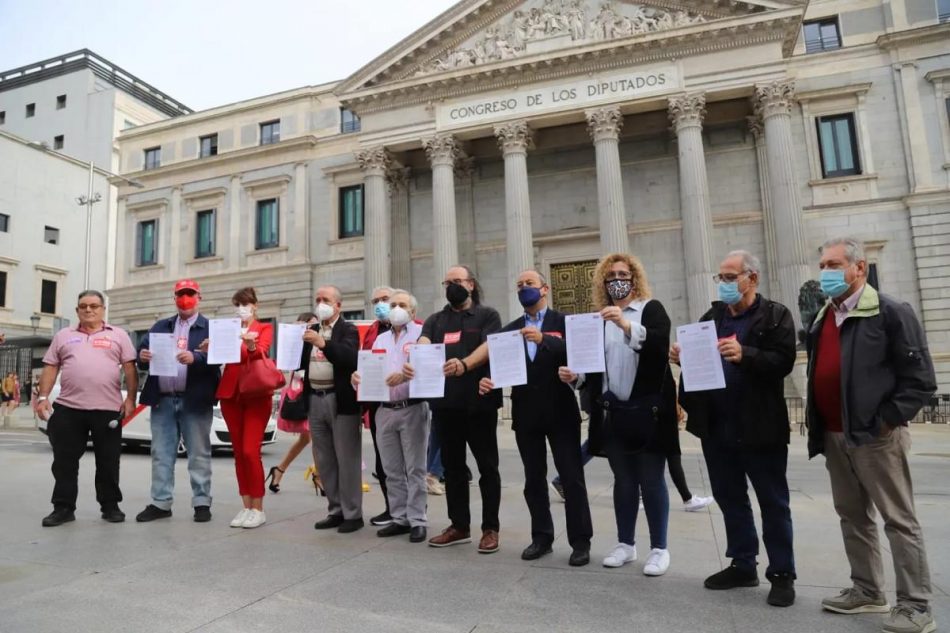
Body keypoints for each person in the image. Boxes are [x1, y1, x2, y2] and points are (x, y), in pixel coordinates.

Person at [806, 237, 937, 633]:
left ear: (859, 268)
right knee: (852, 516)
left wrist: (885, 420)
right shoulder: (823, 316)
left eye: (834, 264)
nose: (826, 273)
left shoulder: (891, 311)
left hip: (876, 437)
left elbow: (920, 380)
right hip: (834, 434)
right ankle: (867, 590)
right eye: (823, 265)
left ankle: (915, 605)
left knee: (898, 520)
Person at [673, 250, 797, 607]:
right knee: (730, 499)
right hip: (718, 426)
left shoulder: (775, 315)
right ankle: (743, 564)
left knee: (773, 502)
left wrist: (747, 355)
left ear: (752, 278)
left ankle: (782, 573)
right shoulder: (711, 318)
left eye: (731, 277)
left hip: (761, 427)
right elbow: (699, 361)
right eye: (721, 278)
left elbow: (784, 361)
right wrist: (683, 356)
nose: (725, 284)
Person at [559, 253, 676, 577]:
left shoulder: (651, 309)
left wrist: (625, 324)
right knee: (623, 481)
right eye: (610, 276)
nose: (616, 280)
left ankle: (659, 548)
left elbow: (657, 344)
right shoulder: (598, 320)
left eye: (622, 274)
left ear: (634, 278)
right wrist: (577, 378)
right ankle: (626, 543)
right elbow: (597, 371)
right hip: (613, 412)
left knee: (651, 480)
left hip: (648, 412)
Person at [467, 270, 593, 566]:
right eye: (519, 285)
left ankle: (581, 540)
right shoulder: (509, 331)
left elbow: (580, 352)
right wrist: (489, 381)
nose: (524, 289)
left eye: (529, 284)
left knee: (572, 477)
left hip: (561, 411)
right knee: (533, 479)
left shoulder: (563, 323)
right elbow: (500, 368)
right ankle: (542, 537)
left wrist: (545, 339)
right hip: (526, 413)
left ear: (544, 289)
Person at [404, 264, 503, 553]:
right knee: (453, 468)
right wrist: (415, 357)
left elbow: (489, 347)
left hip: (480, 404)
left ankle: (490, 529)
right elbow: (423, 343)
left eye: (457, 281)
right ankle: (459, 525)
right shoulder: (436, 320)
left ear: (471, 284)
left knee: (488, 468)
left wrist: (464, 364)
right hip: (446, 406)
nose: (452, 287)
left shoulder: (488, 315)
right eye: (447, 282)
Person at [34, 290, 138, 526]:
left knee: (108, 462)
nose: (88, 310)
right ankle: (63, 508)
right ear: (77, 310)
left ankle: (110, 506)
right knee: (64, 462)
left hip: (107, 409)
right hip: (69, 409)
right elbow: (51, 368)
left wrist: (130, 399)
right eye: (83, 306)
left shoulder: (119, 335)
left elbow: (130, 369)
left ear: (103, 309)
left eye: (93, 306)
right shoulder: (64, 336)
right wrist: (42, 397)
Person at [135, 279, 221, 523]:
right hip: (163, 400)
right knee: (161, 453)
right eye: (181, 295)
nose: (185, 299)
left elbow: (222, 358)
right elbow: (140, 355)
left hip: (195, 400)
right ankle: (161, 503)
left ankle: (202, 502)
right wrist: (142, 357)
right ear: (174, 298)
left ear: (199, 297)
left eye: (190, 294)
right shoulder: (161, 326)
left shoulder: (210, 328)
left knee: (199, 453)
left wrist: (197, 358)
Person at [353, 290, 429, 543]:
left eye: (402, 305)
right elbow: (370, 371)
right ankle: (399, 517)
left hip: (412, 407)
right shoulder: (381, 339)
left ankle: (418, 519)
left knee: (415, 468)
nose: (396, 308)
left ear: (413, 312)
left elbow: (431, 368)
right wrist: (358, 379)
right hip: (384, 409)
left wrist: (410, 374)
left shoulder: (422, 335)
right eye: (393, 304)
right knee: (391, 469)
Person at [302, 285, 361, 533]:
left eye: (326, 299)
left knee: (346, 458)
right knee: (324, 459)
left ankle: (353, 514)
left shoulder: (348, 329)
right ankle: (335, 509)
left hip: (339, 399)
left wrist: (323, 343)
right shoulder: (312, 329)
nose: (321, 303)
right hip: (315, 397)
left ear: (338, 305)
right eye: (317, 299)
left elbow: (349, 357)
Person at [216, 287, 274, 529]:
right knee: (239, 452)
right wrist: (212, 347)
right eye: (237, 304)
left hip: (256, 395)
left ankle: (258, 508)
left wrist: (250, 347)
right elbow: (222, 356)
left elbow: (262, 351)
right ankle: (246, 505)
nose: (241, 308)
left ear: (255, 306)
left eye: (246, 304)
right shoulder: (227, 329)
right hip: (230, 395)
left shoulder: (264, 328)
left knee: (251, 451)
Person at [268, 312, 318, 493]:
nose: (314, 329)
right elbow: (293, 365)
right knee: (314, 437)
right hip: (303, 392)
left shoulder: (317, 342)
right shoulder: (297, 342)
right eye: (311, 325)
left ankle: (279, 470)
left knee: (307, 438)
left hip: (312, 390)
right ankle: (318, 475)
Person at [360, 286, 396, 526]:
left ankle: (412, 510)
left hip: (405, 402)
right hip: (377, 403)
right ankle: (390, 507)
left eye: (385, 299)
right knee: (382, 460)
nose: (380, 304)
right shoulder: (372, 330)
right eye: (376, 301)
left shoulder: (415, 327)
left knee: (406, 463)